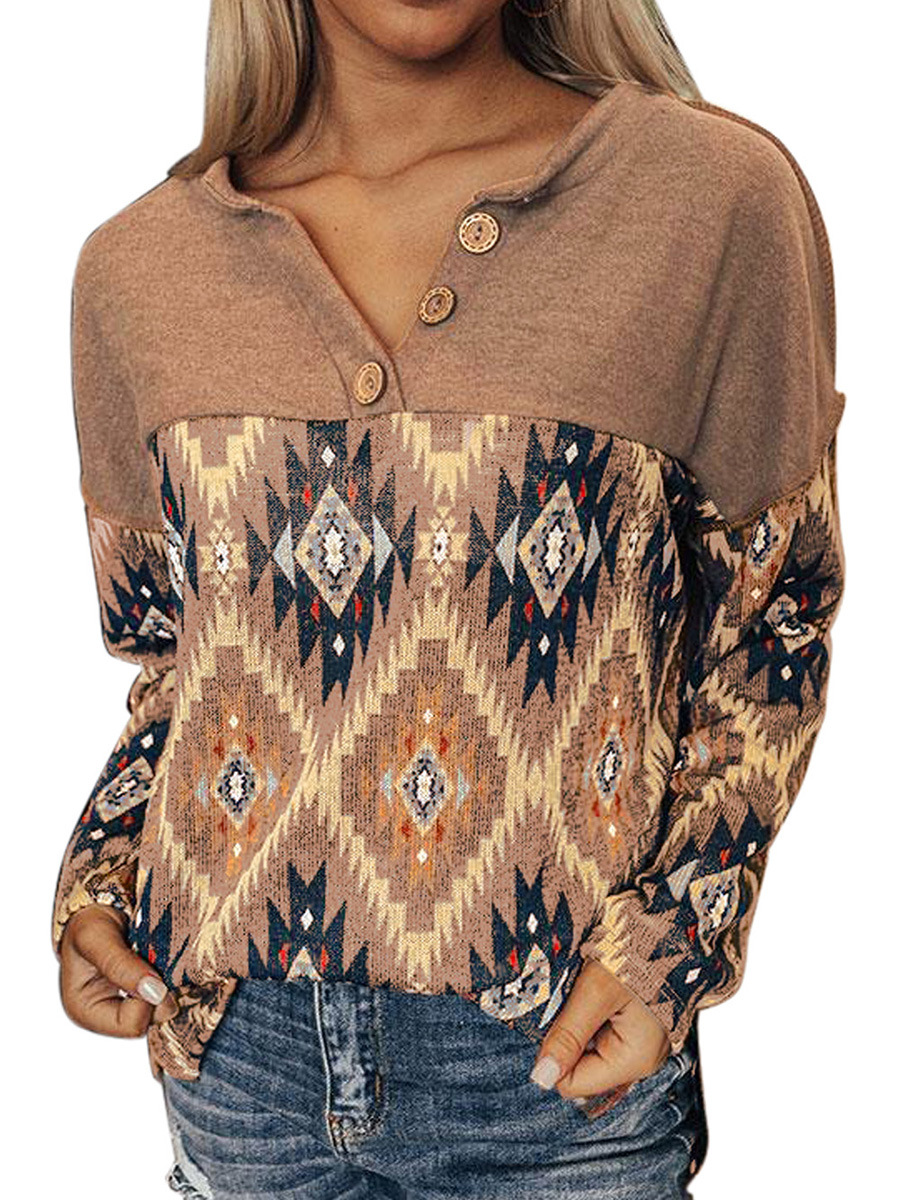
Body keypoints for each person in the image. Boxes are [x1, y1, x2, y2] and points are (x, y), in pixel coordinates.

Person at [51, 1, 846, 1196]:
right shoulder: (139, 266)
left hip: (557, 1064)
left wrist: (669, 945)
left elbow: (773, 622)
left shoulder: (705, 200)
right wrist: (99, 882)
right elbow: (173, 664)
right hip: (236, 1065)